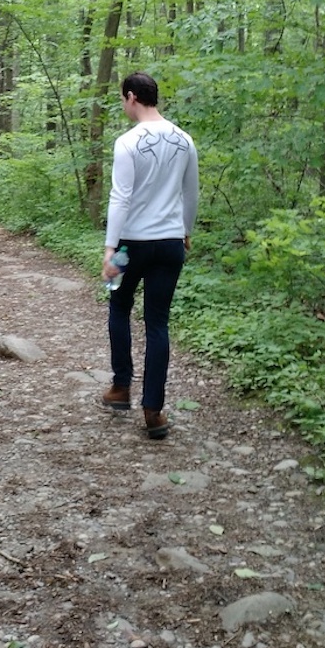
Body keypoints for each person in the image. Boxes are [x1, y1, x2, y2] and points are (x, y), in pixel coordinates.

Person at [101, 72, 199, 439]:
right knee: (157, 322)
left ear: (131, 97)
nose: (123, 106)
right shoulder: (184, 140)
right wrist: (185, 230)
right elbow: (191, 194)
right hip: (170, 243)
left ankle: (121, 387)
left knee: (118, 306)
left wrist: (111, 249)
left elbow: (120, 197)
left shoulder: (127, 143)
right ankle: (154, 410)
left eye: (122, 100)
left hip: (130, 245)